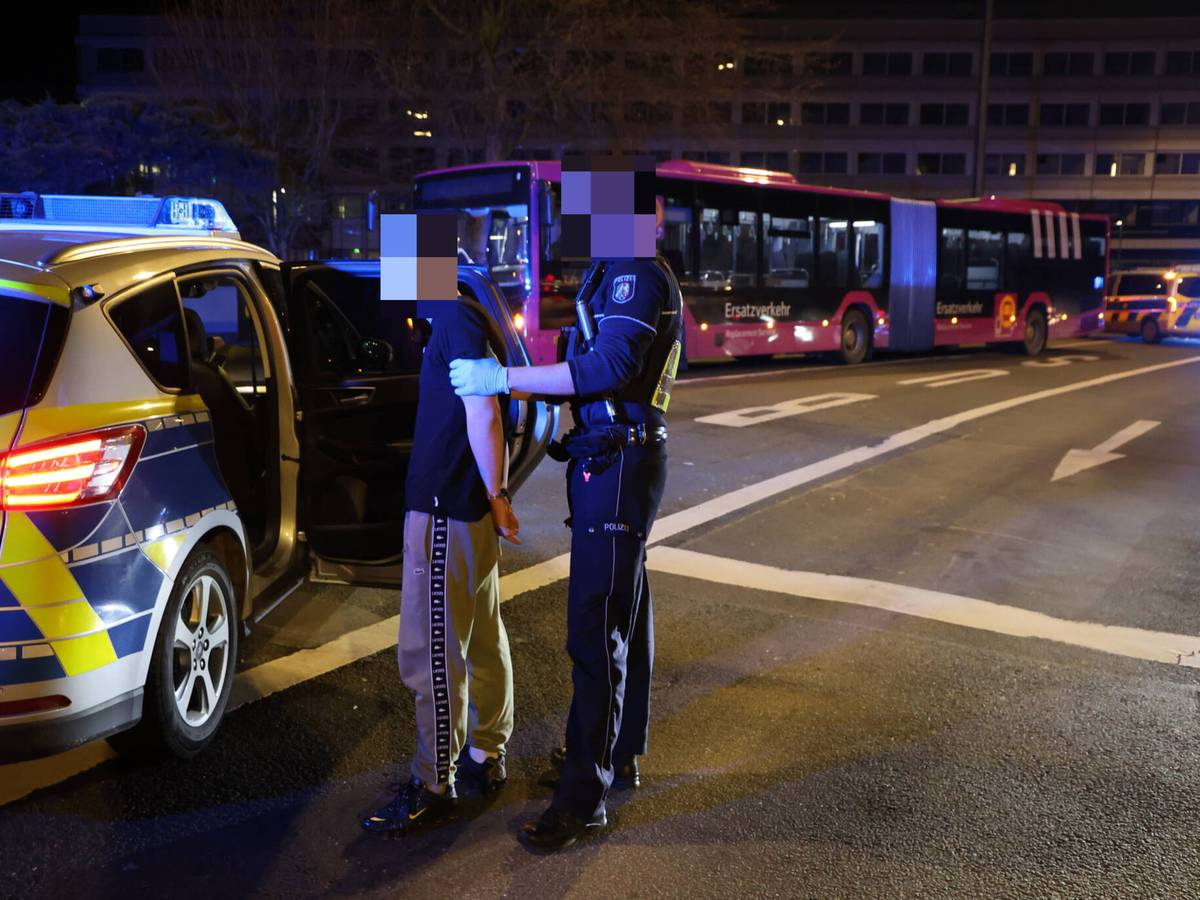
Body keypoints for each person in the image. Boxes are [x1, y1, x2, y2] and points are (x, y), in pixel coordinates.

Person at [450, 194, 683, 851]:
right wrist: (522, 383)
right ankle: (616, 754)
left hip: (620, 461)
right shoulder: (617, 269)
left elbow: (608, 367)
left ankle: (583, 800)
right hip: (614, 458)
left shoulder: (635, 271)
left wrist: (504, 375)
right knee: (624, 616)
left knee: (595, 630)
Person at [362, 295, 521, 835]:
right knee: (481, 637)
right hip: (465, 508)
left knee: (433, 650)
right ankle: (485, 753)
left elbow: (484, 409)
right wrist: (492, 495)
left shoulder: (453, 316)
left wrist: (497, 493)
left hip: (444, 510)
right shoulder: (467, 316)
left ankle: (434, 783)